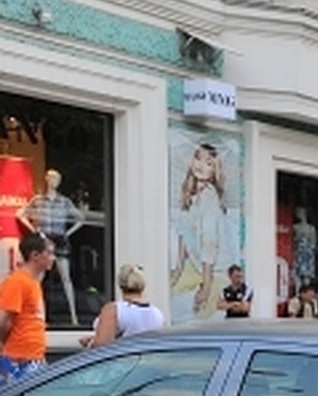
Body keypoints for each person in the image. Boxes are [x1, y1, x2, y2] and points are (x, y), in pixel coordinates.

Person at [16, 169, 85, 327]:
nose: (53, 182)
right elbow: (20, 214)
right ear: (46, 180)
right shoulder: (38, 200)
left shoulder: (64, 201)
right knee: (37, 280)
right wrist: (34, 231)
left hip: (59, 240)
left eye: (56, 179)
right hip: (44, 239)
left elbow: (81, 218)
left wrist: (67, 233)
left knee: (66, 278)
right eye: (51, 178)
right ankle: (38, 315)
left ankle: (74, 318)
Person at [171, 141, 226, 316]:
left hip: (214, 269)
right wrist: (178, 269)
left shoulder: (209, 197)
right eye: (198, 158)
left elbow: (209, 242)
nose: (201, 166)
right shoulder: (189, 192)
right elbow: (183, 233)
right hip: (196, 264)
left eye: (209, 163)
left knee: (201, 314)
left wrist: (206, 285)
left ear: (214, 171)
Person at [0, 230, 55, 384]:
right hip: (19, 359)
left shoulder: (32, 282)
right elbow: (3, 321)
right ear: (35, 255)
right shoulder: (17, 282)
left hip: (32, 357)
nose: (53, 258)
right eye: (49, 253)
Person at [86, 263, 165, 348]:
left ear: (120, 285)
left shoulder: (113, 310)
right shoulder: (157, 314)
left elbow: (101, 347)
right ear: (143, 286)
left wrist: (91, 343)